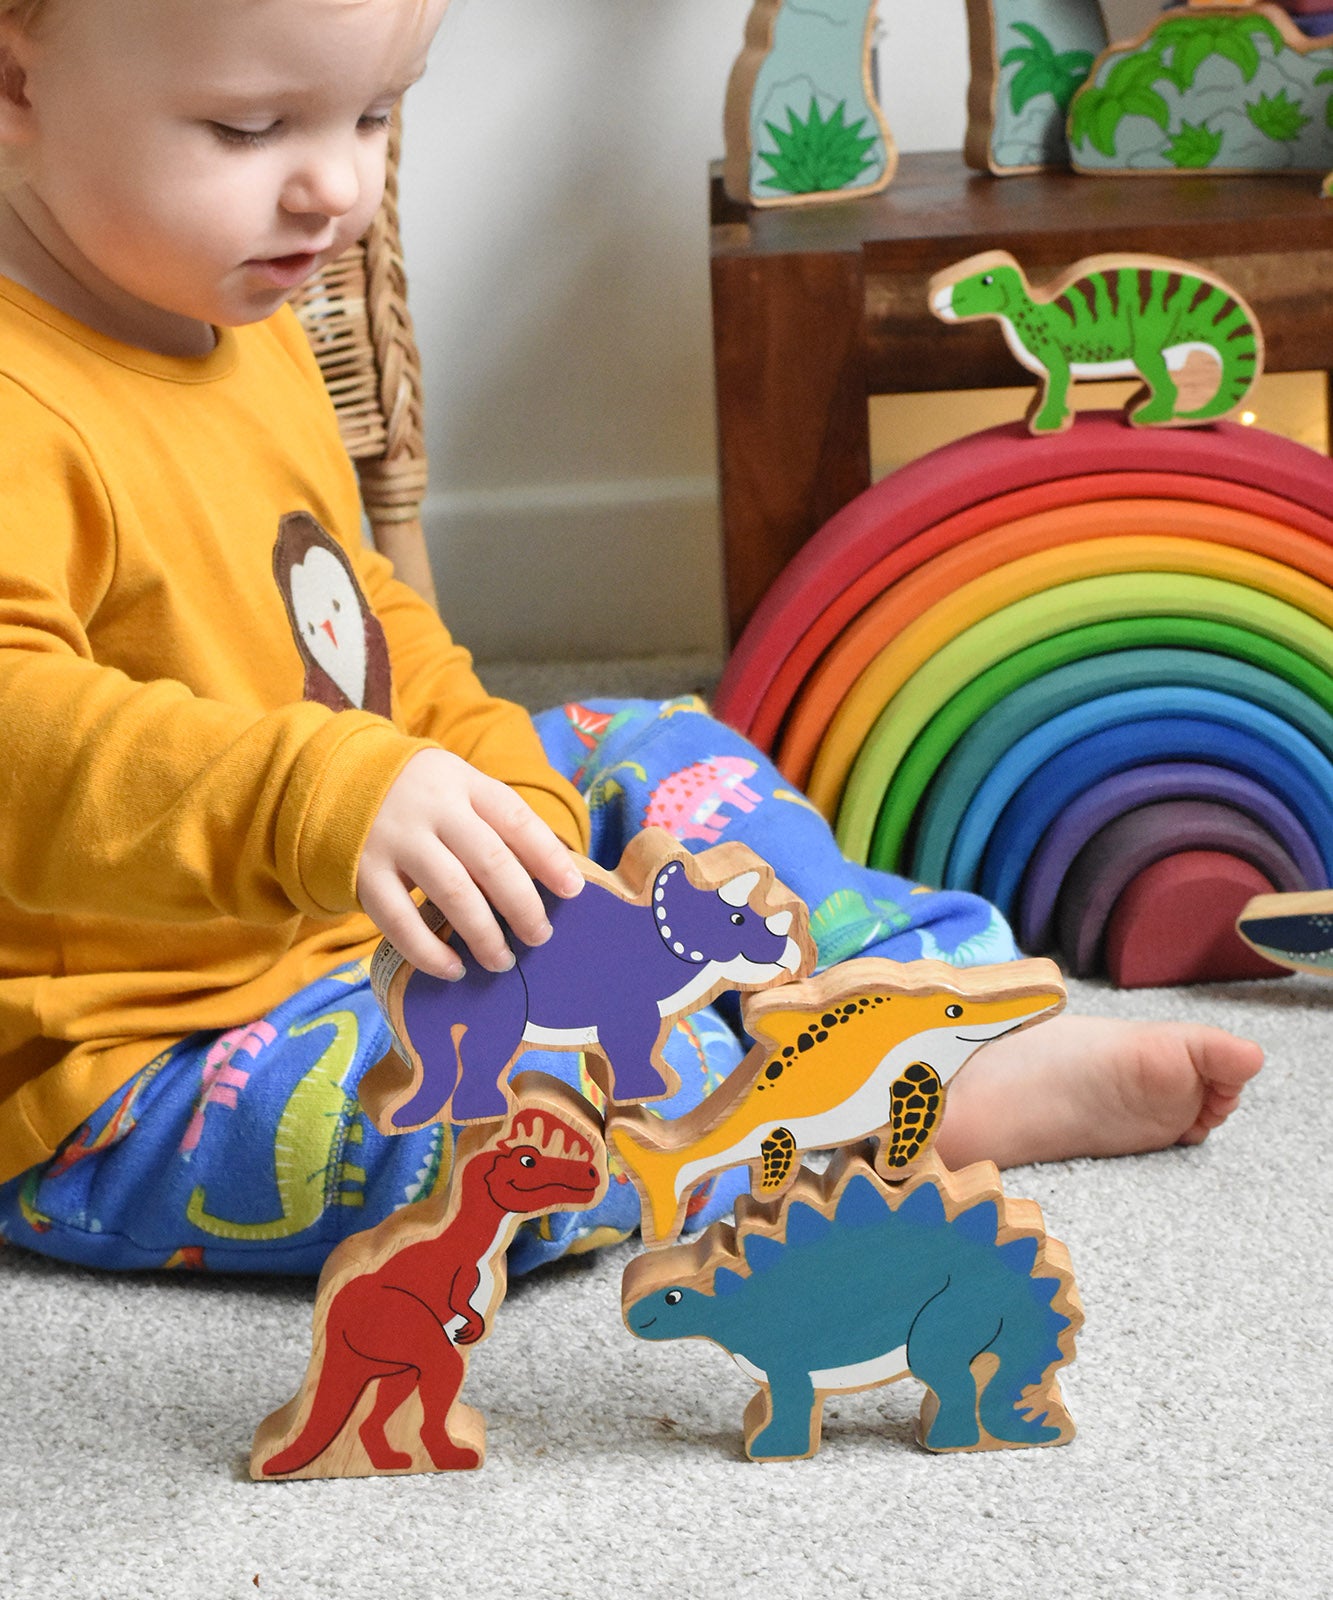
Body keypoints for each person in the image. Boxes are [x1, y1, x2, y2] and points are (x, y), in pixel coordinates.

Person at [0, 0, 1262, 1276]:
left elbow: (362, 618)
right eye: (249, 127)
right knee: (505, 1129)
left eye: (378, 113)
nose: (339, 183)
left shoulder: (241, 318)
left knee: (655, 743)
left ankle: (910, 1004)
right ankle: (837, 1107)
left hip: (360, 892)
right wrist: (315, 796)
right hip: (140, 1058)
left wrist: (506, 788)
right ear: (14, 82)